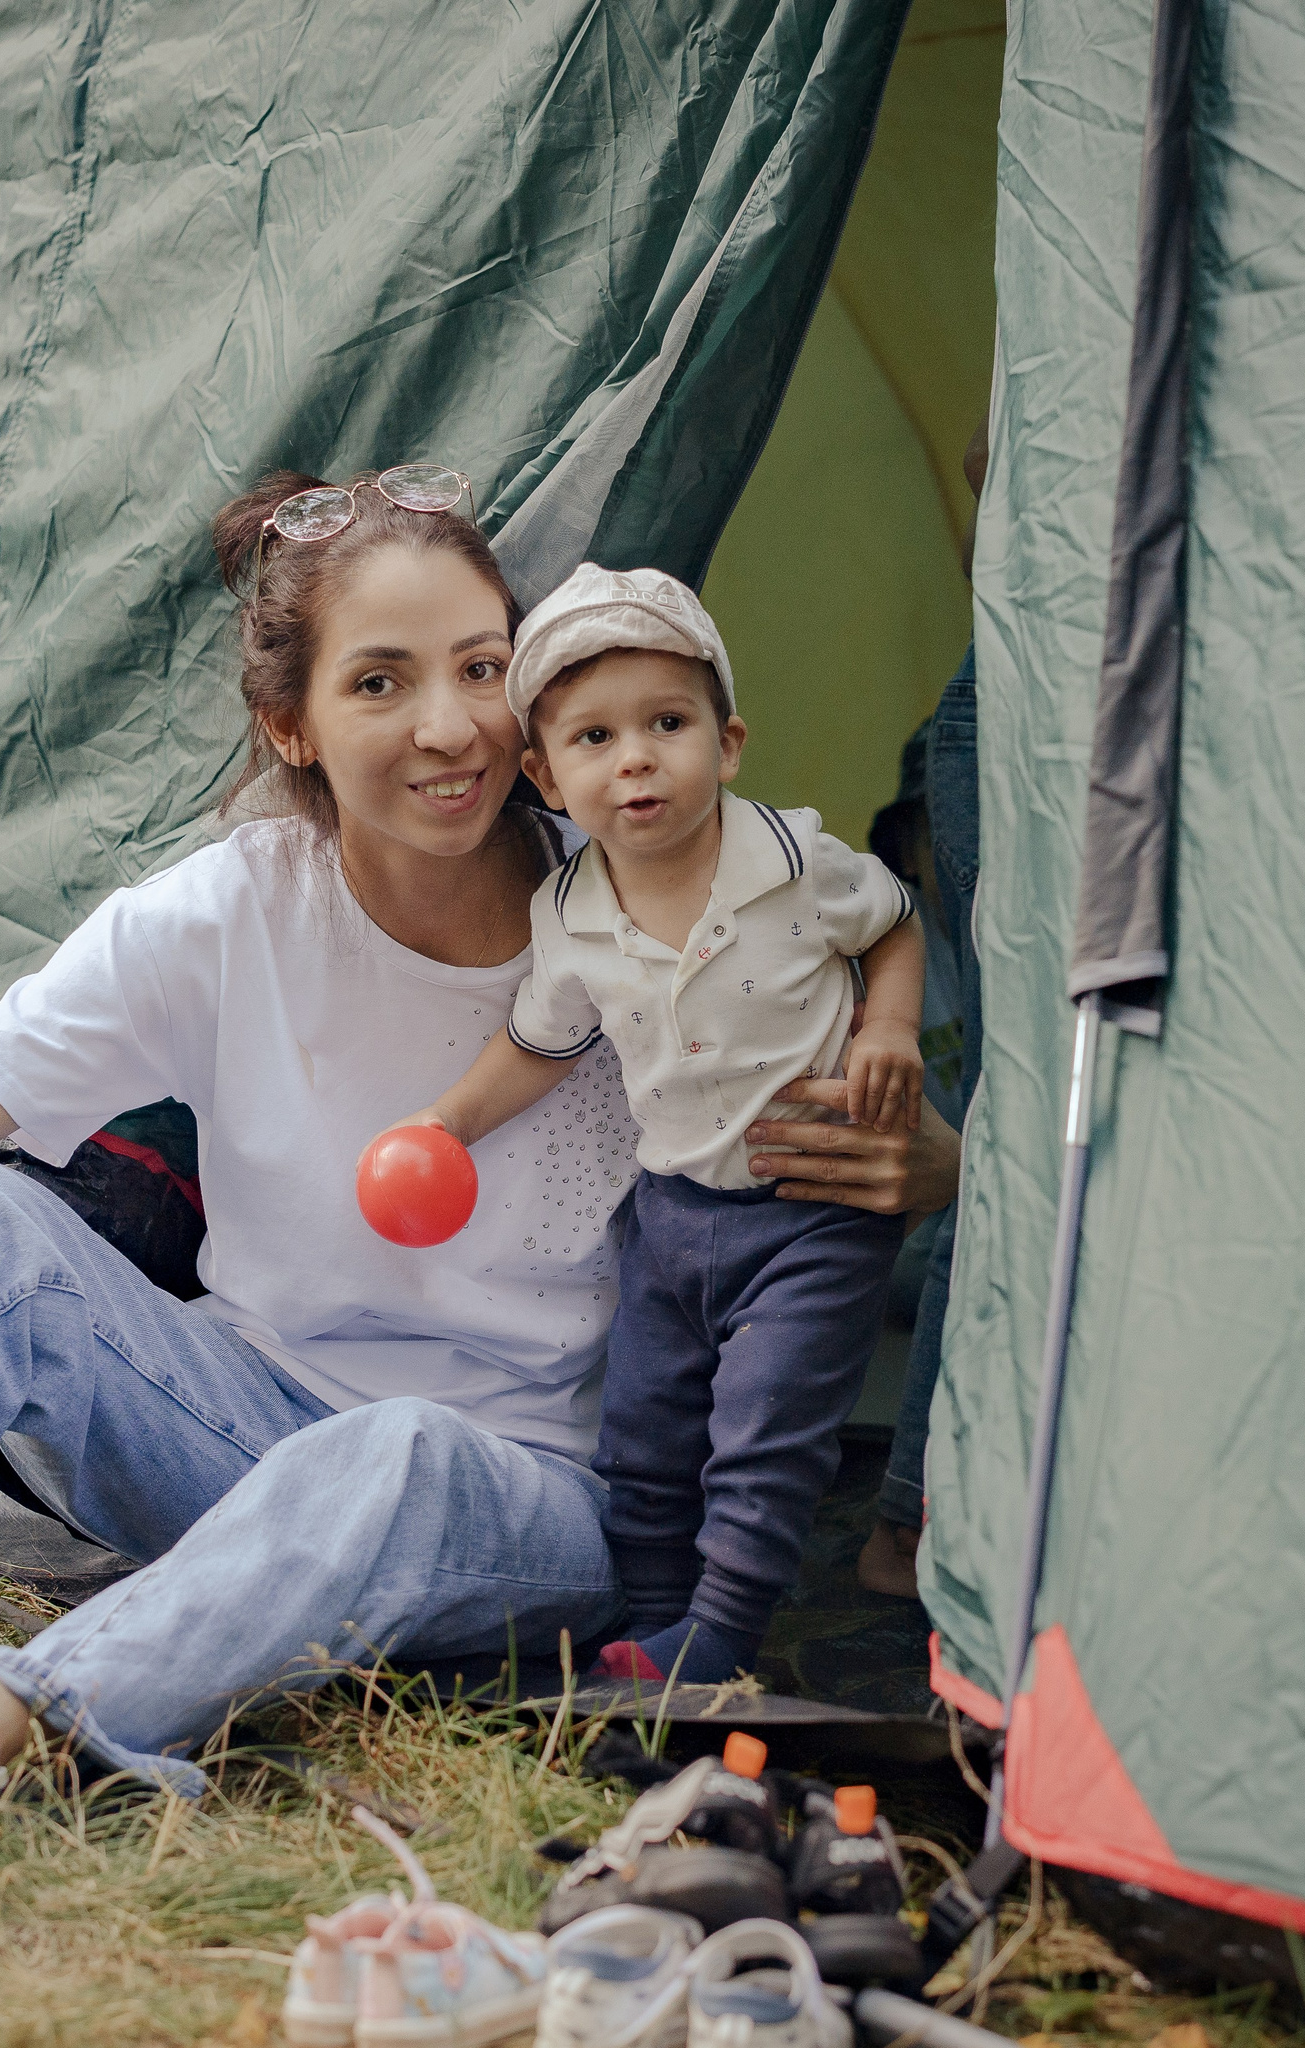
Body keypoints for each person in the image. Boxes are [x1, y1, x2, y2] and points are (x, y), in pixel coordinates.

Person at [0, 465, 958, 1878]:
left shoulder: (650, 889)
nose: (447, 725)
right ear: (296, 726)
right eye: (380, 682)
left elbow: (913, 1127)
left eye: (480, 668)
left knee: (396, 1454)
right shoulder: (224, 915)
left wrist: (922, 1163)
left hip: (535, 1498)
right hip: (239, 1425)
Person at [386, 563, 924, 1687]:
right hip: (673, 1213)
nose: (633, 757)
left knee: (762, 1424)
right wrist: (445, 1121)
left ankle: (722, 1628)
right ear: (541, 771)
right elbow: (540, 1043)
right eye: (592, 737)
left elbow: (894, 923)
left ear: (725, 743)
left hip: (812, 1211)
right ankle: (649, 1618)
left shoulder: (792, 861)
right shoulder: (571, 911)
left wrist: (888, 1030)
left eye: (665, 723)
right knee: (644, 1422)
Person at [860, 416, 990, 1600]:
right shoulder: (902, 953)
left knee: (994, 1189)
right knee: (999, 1192)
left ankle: (913, 1516)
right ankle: (905, 1521)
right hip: (908, 1214)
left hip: (933, 1204)